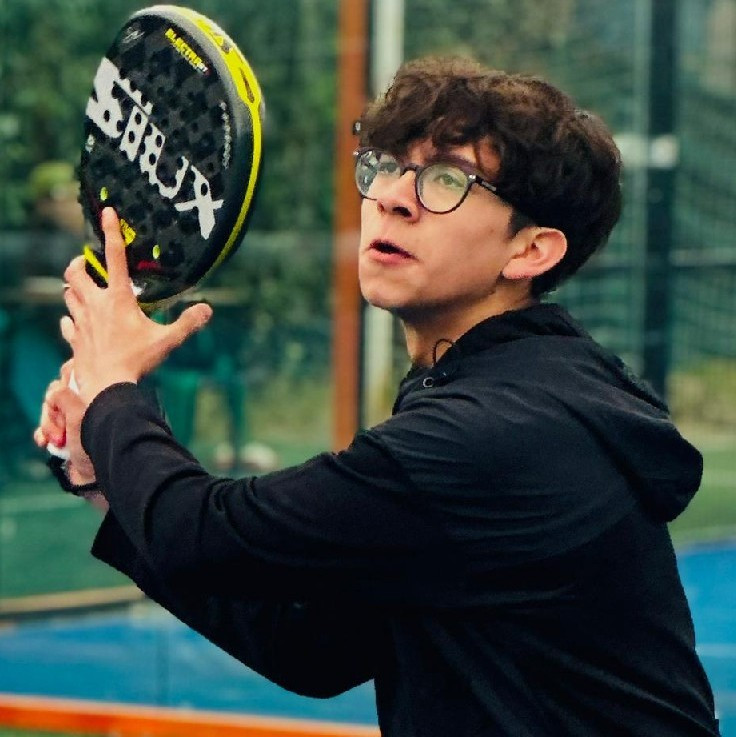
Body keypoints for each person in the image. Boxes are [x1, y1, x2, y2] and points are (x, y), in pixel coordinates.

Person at [34, 57, 720, 736]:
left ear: (530, 251)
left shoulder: (496, 432)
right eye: (387, 166)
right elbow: (311, 647)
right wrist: (103, 479)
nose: (392, 196)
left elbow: (204, 535)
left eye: (447, 180)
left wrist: (115, 389)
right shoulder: (492, 389)